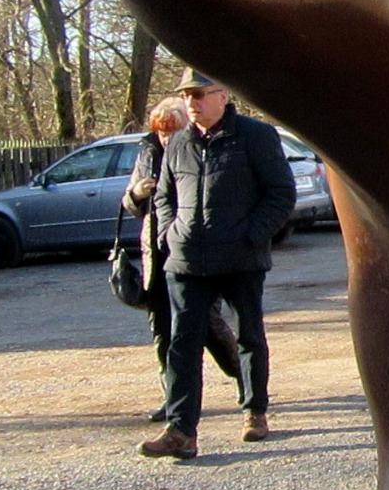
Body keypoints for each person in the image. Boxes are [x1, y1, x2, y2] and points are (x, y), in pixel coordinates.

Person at [139, 71, 296, 460]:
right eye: (187, 96)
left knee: (248, 338)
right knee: (182, 345)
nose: (192, 102)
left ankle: (255, 410)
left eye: (199, 94)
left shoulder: (256, 137)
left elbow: (281, 193)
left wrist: (252, 235)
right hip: (187, 260)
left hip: (240, 259)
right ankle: (181, 431)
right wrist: (170, 236)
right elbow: (163, 195)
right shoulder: (178, 142)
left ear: (223, 95)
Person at [123, 96, 242, 421]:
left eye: (171, 130)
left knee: (210, 328)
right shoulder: (147, 154)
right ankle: (173, 399)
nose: (165, 138)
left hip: (194, 255)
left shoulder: (196, 149)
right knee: (164, 333)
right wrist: (137, 195)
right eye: (161, 132)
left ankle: (244, 381)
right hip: (157, 256)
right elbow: (129, 202)